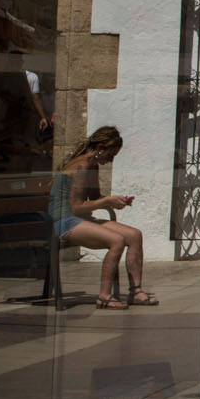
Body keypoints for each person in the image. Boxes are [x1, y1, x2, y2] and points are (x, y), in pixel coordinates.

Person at [52, 127, 155, 308]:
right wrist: (107, 201)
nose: (111, 160)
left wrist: (115, 201)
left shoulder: (92, 165)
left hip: (80, 219)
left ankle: (136, 291)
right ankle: (105, 296)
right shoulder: (82, 166)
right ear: (100, 148)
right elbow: (76, 207)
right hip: (64, 221)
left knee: (134, 235)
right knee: (117, 240)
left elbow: (94, 198)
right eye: (111, 154)